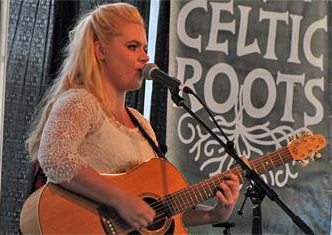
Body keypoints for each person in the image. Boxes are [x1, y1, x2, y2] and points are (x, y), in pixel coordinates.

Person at [25, 2, 240, 232]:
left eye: (145, 48)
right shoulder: (80, 101)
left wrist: (212, 214)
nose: (145, 57)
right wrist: (121, 200)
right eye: (133, 47)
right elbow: (54, 156)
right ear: (101, 51)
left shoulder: (142, 124)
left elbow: (154, 212)